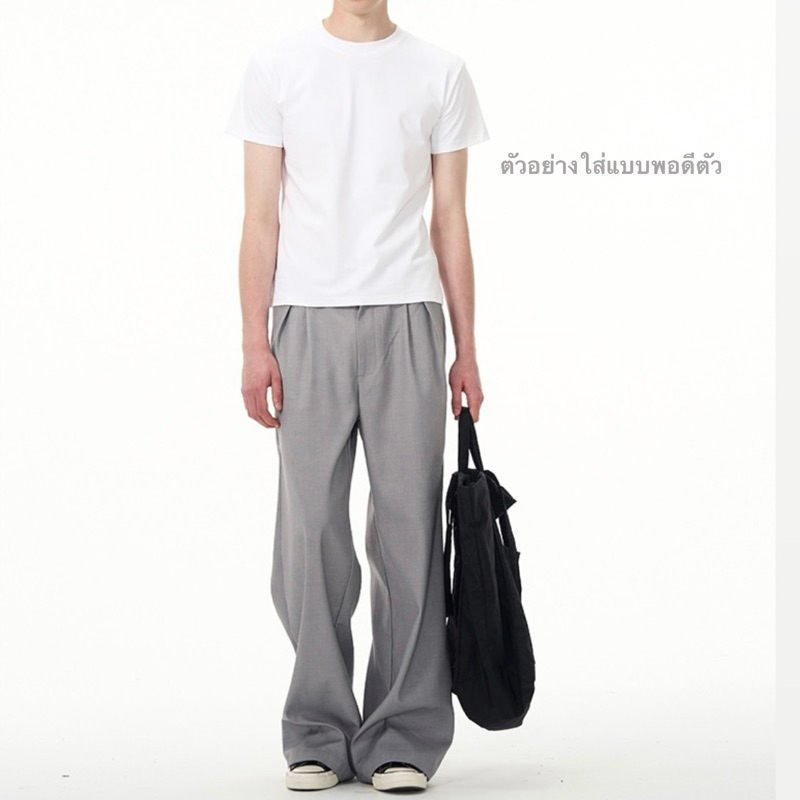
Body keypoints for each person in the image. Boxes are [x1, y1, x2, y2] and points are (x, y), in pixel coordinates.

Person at [224, 0, 489, 792]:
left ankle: (402, 734)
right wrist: (253, 342)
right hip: (305, 320)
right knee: (309, 534)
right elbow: (260, 219)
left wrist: (467, 347)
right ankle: (318, 729)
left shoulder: (441, 72)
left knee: (410, 531)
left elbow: (450, 219)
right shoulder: (277, 68)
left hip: (409, 315)